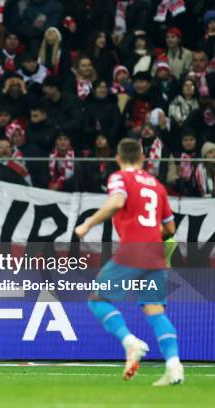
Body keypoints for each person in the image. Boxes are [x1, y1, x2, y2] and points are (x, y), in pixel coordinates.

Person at [75, 138, 183, 387]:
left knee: (97, 299)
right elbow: (170, 227)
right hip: (155, 253)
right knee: (154, 309)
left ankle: (130, 342)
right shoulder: (157, 185)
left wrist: (87, 224)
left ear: (118, 158)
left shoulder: (120, 178)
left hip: (133, 250)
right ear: (143, 157)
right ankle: (174, 366)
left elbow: (117, 202)